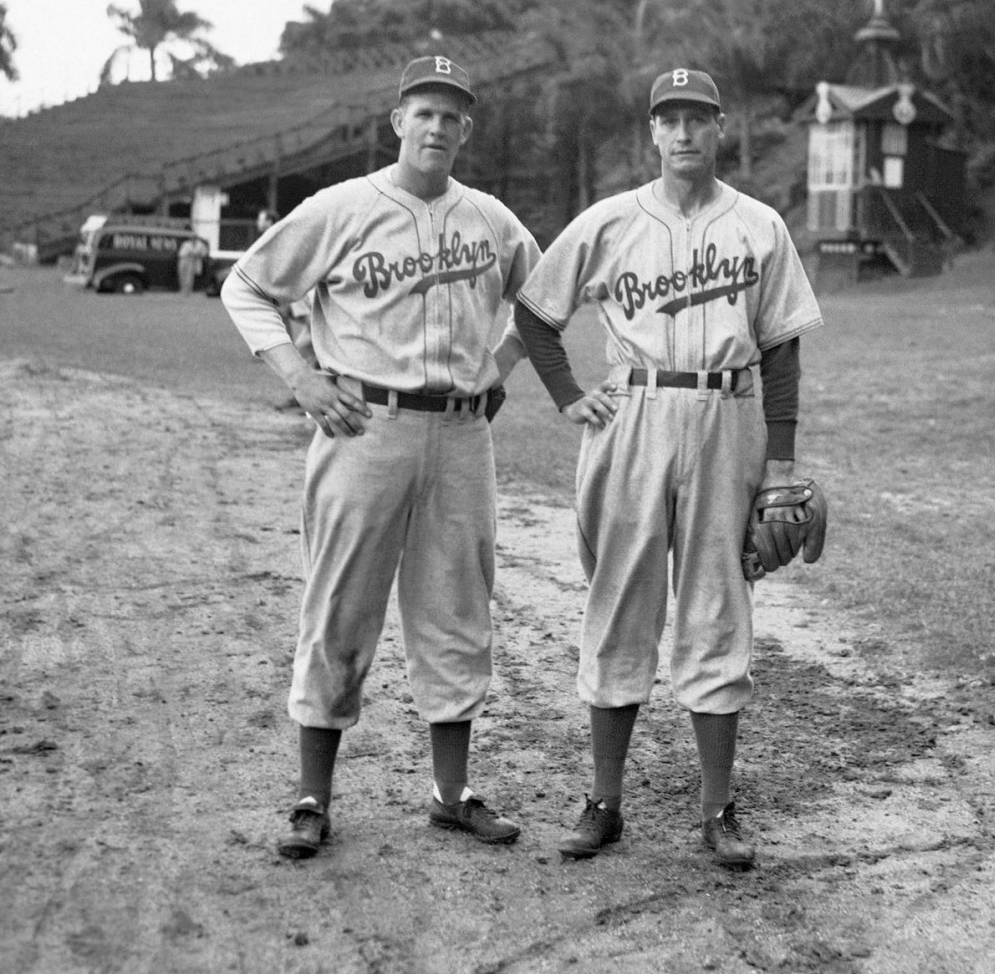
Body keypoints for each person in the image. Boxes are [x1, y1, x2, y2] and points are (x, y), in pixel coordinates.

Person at [221, 55, 541, 858]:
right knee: (339, 606)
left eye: (451, 116)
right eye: (422, 113)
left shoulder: (494, 222)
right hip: (364, 426)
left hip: (462, 435)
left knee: (458, 606)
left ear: (466, 130)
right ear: (398, 122)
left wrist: (497, 370)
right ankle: (311, 797)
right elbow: (247, 286)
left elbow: (544, 303)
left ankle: (451, 792)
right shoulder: (341, 207)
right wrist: (299, 376)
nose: (436, 127)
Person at [513, 67, 824, 870]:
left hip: (730, 413)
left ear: (719, 127)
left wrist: (781, 459)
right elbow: (537, 312)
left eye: (697, 118)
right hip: (633, 416)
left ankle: (718, 809)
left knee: (717, 607)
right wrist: (567, 396)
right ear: (650, 133)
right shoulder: (611, 221)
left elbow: (782, 347)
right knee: (618, 602)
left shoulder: (758, 225)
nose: (682, 133)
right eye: (668, 120)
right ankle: (603, 802)